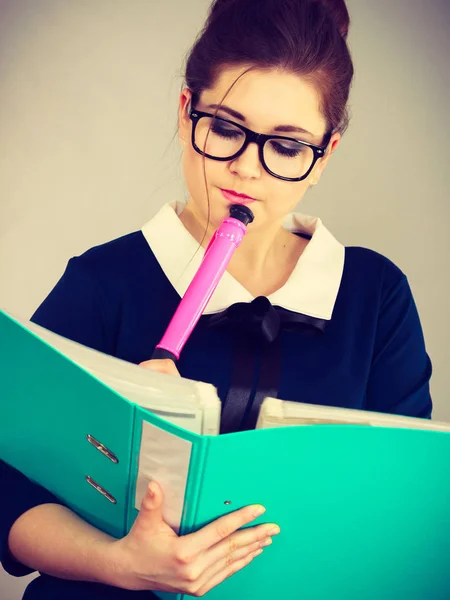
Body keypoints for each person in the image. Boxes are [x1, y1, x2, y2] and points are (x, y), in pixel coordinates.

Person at [1, 0, 433, 598]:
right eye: (226, 129)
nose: (245, 170)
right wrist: (118, 561)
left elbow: (405, 504)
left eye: (285, 147)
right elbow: (9, 497)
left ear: (325, 154)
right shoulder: (105, 282)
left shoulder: (375, 296)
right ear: (187, 113)